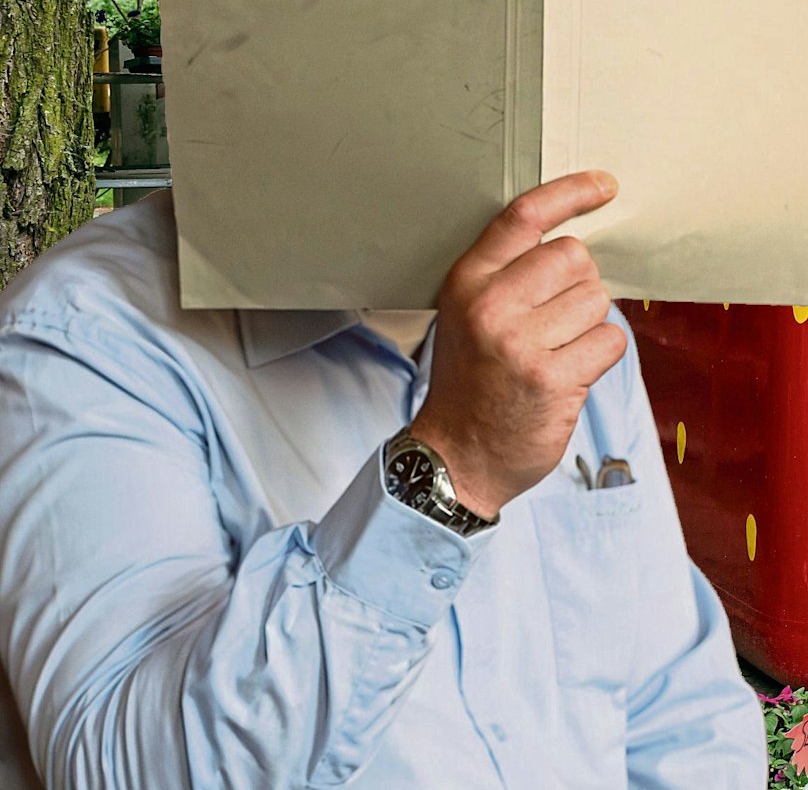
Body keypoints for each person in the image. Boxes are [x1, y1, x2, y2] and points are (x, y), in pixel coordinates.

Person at [0, 171, 765, 789]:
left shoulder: (574, 325)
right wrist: (451, 469)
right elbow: (125, 769)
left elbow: (678, 703)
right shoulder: (85, 339)